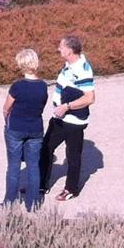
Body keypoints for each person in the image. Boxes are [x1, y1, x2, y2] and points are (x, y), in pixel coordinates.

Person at [41, 34, 96, 201]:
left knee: (73, 156)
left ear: (70, 50)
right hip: (59, 118)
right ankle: (41, 184)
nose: (59, 49)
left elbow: (90, 98)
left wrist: (67, 106)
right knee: (45, 149)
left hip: (73, 121)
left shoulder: (82, 70)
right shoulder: (69, 65)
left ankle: (71, 189)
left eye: (61, 46)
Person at [2, 48, 49, 210]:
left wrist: (7, 121)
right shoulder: (43, 86)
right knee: (33, 166)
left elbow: (6, 108)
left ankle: (9, 202)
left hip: (16, 128)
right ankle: (33, 204)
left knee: (14, 165)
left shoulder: (17, 86)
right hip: (35, 128)